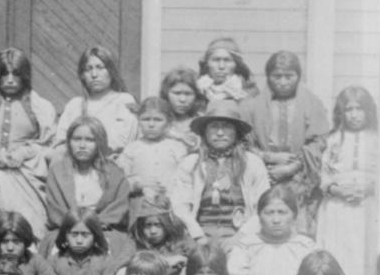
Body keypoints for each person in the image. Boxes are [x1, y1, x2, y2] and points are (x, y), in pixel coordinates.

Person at [240, 51, 330, 236]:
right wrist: (268, 157)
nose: (282, 82)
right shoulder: (252, 106)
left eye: (289, 76)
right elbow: (243, 142)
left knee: (298, 231)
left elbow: (318, 142)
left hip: (298, 176)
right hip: (264, 174)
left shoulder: (312, 104)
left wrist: (291, 168)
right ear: (268, 77)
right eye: (277, 76)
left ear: (298, 76)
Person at [169, 99, 269, 244]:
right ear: (205, 132)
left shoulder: (252, 163)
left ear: (236, 132)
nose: (220, 133)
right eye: (214, 127)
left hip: (242, 237)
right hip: (199, 236)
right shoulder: (191, 163)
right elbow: (179, 205)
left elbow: (263, 206)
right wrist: (198, 236)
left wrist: (240, 237)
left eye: (227, 127)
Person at [0, 48, 58, 235]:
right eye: (4, 74)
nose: (9, 80)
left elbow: (50, 144)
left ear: (25, 76)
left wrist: (26, 152)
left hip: (26, 174)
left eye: (16, 74)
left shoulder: (39, 106)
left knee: (29, 227)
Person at [318, 85, 379, 275]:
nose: (354, 115)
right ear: (341, 113)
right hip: (338, 207)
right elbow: (324, 175)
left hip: (367, 207)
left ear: (368, 111)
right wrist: (337, 190)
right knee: (340, 252)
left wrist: (369, 188)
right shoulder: (333, 140)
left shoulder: (378, 140)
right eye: (349, 110)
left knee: (363, 253)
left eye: (359, 109)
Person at [226, 184, 316, 275]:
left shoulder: (306, 247)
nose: (276, 220)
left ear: (294, 215)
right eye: (269, 213)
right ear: (259, 216)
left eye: (282, 212)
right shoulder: (246, 246)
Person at [46, 115, 131, 252]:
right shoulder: (58, 172)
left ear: (100, 143)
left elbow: (119, 207)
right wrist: (76, 227)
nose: (82, 145)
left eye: (90, 140)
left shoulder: (114, 173)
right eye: (77, 139)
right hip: (68, 231)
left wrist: (93, 227)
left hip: (104, 231)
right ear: (69, 142)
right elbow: (55, 209)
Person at [53, 45, 138, 154]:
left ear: (111, 71)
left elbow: (122, 142)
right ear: (82, 75)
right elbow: (61, 141)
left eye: (100, 67)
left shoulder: (124, 101)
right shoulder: (74, 105)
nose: (94, 74)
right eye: (88, 69)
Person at [117, 96, 189, 210]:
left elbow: (186, 179)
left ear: (168, 123)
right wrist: (138, 184)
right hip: (140, 205)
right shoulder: (131, 149)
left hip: (172, 205)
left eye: (158, 120)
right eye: (146, 119)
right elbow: (120, 183)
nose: (151, 124)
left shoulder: (178, 148)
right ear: (138, 120)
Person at [195, 36, 258, 104]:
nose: (221, 66)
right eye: (216, 60)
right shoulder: (197, 90)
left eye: (227, 60)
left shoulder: (249, 92)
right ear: (207, 63)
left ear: (237, 64)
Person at [158, 66, 205, 151]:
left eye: (188, 94)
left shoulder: (202, 122)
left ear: (196, 96)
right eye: (177, 93)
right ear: (166, 94)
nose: (182, 99)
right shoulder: (157, 120)